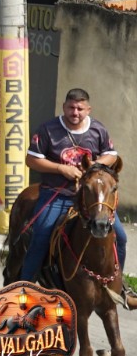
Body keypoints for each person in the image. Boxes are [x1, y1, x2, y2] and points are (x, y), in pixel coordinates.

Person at [20, 88, 133, 305]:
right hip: (58, 194)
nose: (75, 112)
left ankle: (119, 287)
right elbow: (31, 160)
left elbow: (111, 155)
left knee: (120, 237)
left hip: (93, 200)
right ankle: (24, 288)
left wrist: (95, 165)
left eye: (80, 108)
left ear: (88, 109)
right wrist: (61, 169)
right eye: (71, 107)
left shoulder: (98, 129)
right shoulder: (48, 129)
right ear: (64, 107)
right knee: (41, 235)